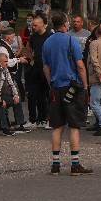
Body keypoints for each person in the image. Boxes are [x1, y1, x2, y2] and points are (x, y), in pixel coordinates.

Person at [42, 11, 92, 175]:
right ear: (64, 24)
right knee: (74, 125)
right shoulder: (72, 40)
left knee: (57, 126)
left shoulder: (47, 43)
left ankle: (55, 165)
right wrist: (85, 85)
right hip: (72, 87)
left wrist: (51, 84)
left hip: (56, 87)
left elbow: (46, 67)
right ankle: (75, 164)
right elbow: (80, 65)